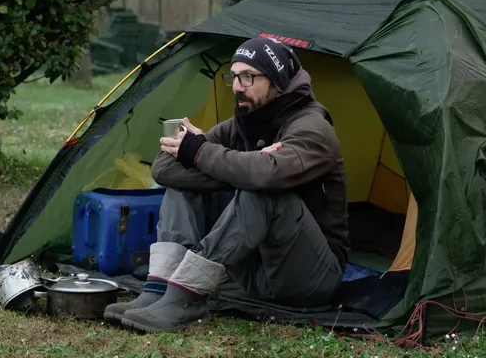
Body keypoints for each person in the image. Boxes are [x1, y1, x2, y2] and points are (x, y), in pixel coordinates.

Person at [103, 37, 350, 333]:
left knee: (263, 190)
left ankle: (187, 298)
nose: (236, 87)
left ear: (277, 80)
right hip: (252, 277)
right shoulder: (243, 124)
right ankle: (159, 289)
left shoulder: (312, 128)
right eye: (233, 77)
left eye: (248, 76)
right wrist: (238, 163)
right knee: (191, 182)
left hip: (311, 279)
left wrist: (210, 156)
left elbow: (264, 177)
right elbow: (164, 168)